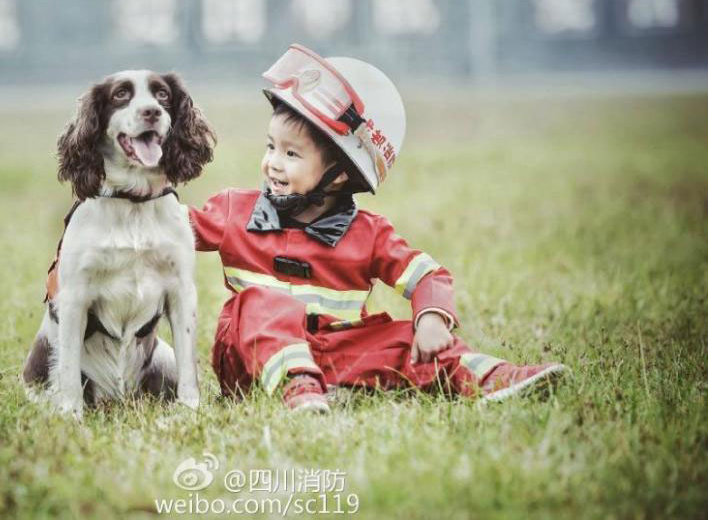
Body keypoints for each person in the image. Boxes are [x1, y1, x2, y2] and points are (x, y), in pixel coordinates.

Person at [189, 44, 567, 413]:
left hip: (334, 354)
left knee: (406, 340)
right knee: (257, 301)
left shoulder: (368, 233)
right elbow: (174, 230)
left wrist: (432, 320)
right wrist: (139, 201)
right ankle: (297, 385)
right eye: (271, 146)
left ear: (338, 176)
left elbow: (429, 275)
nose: (272, 163)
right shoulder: (232, 209)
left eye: (291, 154)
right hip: (248, 361)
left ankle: (492, 378)